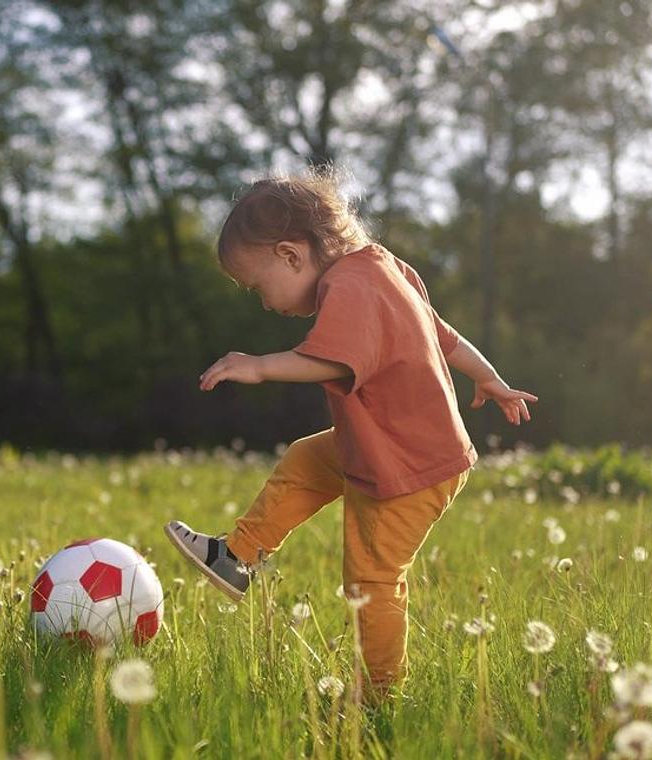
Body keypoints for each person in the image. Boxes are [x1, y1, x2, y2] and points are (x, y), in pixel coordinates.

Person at [164, 168, 537, 698]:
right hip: (393, 443)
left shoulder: (350, 286)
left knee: (373, 581)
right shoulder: (384, 267)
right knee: (308, 461)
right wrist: (489, 376)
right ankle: (236, 555)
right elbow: (445, 338)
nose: (265, 303)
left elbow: (333, 362)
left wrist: (260, 366)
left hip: (404, 467)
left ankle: (380, 694)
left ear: (291, 255)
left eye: (258, 287)